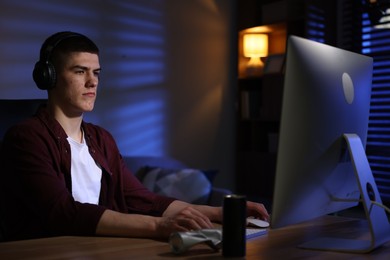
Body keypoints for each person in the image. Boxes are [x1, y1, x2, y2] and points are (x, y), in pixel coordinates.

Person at [0, 31, 269, 241]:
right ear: (49, 77)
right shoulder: (26, 137)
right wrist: (158, 226)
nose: (92, 82)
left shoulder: (100, 138)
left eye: (96, 73)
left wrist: (222, 213)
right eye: (80, 71)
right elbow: (63, 213)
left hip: (95, 248)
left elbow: (141, 199)